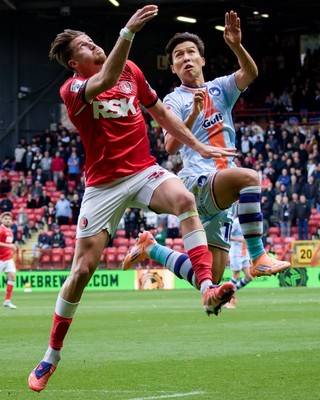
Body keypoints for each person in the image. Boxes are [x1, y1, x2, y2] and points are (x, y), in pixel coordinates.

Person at [28, 5, 236, 393]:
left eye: (94, 41)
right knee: (80, 273)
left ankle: (207, 288)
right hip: (103, 186)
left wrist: (197, 147)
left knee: (184, 200)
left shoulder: (132, 70)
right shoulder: (72, 89)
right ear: (75, 63)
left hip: (143, 171)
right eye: (87, 47)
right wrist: (128, 31)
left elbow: (161, 115)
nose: (95, 47)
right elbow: (105, 78)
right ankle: (51, 356)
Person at [122, 11, 290, 290]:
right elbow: (170, 145)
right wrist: (193, 114)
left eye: (191, 53)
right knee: (249, 178)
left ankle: (151, 248)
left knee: (211, 275)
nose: (186, 58)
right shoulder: (173, 99)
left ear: (202, 60)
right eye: (179, 55)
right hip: (197, 180)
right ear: (173, 68)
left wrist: (236, 45)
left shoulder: (221, 88)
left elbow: (250, 73)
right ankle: (258, 255)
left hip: (220, 190)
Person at [224, 213, 252, 309]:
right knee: (236, 275)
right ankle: (225, 299)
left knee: (249, 276)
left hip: (244, 253)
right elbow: (227, 235)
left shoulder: (248, 222)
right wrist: (239, 239)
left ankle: (233, 291)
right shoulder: (235, 222)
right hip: (236, 252)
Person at [0, 212, 18, 309]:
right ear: (2, 220)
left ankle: (7, 301)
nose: (7, 220)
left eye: (9, 219)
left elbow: (8, 243)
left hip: (8, 258)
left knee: (12, 277)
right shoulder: (1, 229)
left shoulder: (10, 230)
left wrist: (12, 247)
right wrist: (9, 246)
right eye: (5, 218)